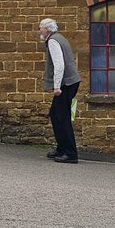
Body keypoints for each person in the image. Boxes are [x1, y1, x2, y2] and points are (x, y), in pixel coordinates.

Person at [39, 17, 80, 163]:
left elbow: (59, 65)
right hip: (71, 82)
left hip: (66, 83)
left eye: (41, 28)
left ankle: (70, 153)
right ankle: (61, 148)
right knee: (55, 114)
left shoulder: (53, 41)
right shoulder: (59, 37)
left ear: (47, 29)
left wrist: (57, 87)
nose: (40, 31)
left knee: (62, 117)